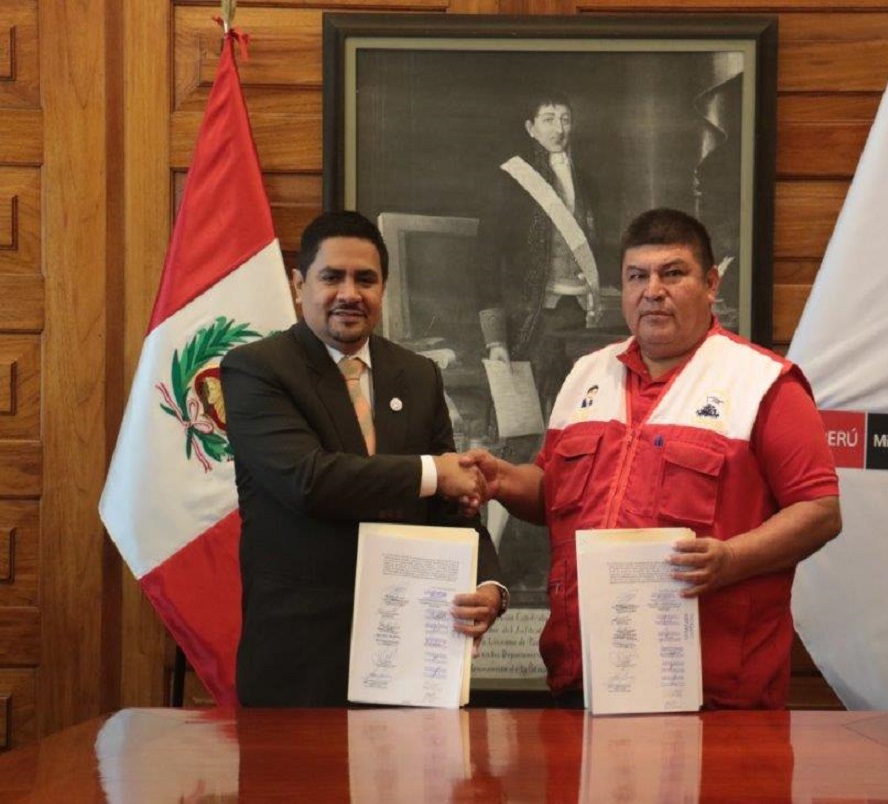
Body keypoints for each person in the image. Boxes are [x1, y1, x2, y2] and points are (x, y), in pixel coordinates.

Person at [468, 208, 842, 709]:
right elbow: (554, 494)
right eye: (637, 276)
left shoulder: (763, 382)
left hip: (715, 698)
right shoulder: (586, 374)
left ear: (711, 284)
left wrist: (732, 559)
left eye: (673, 273)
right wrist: (502, 480)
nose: (653, 291)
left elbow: (820, 511)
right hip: (585, 682)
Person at [221, 210, 507, 707]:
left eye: (366, 280)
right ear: (299, 285)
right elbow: (310, 480)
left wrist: (488, 583)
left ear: (383, 289)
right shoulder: (256, 370)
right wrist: (433, 472)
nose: (350, 293)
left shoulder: (418, 375)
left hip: (408, 664)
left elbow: (451, 505)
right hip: (300, 669)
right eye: (332, 277)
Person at [476, 90, 603, 416]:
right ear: (530, 128)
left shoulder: (587, 181)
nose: (558, 129)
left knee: (578, 411)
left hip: (581, 315)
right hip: (532, 316)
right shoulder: (510, 181)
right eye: (548, 120)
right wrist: (495, 339)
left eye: (565, 119)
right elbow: (486, 259)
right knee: (529, 415)